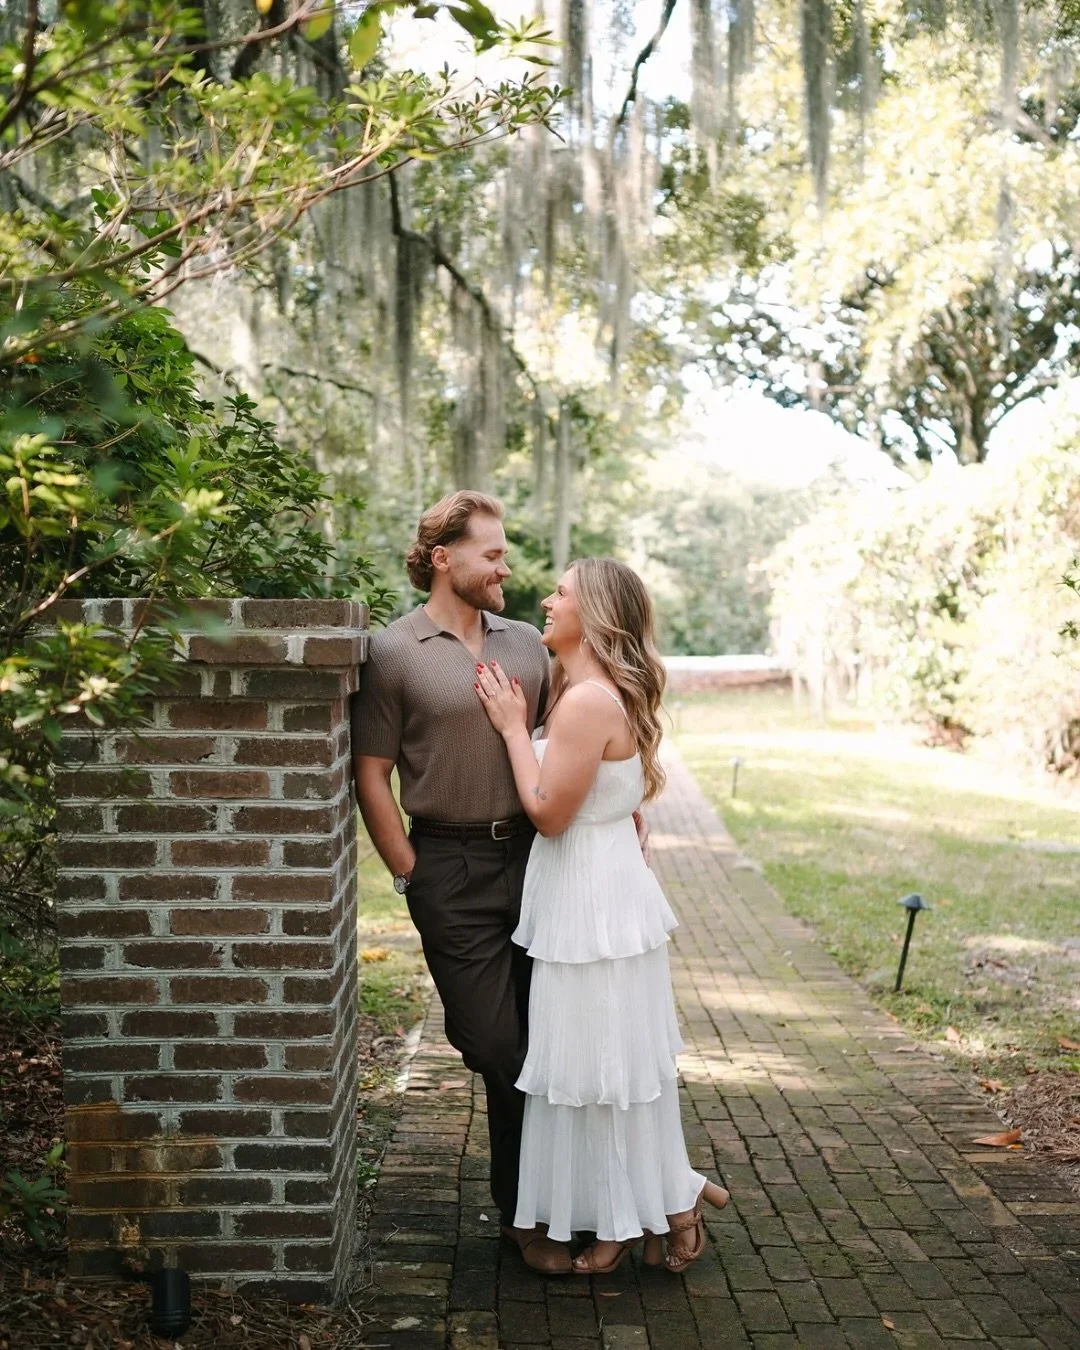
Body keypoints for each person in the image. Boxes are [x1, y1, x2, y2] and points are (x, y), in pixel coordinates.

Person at [473, 557, 730, 1275]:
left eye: (561, 592)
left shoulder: (587, 701)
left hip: (591, 901)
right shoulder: (581, 689)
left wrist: (511, 728)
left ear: (596, 614)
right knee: (597, 1066)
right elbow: (606, 788)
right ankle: (651, 1206)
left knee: (601, 1065)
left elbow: (551, 814)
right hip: (596, 889)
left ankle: (664, 1205)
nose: (546, 600)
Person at [351, 490, 573, 1275]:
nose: (504, 566)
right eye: (492, 554)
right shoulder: (393, 651)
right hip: (447, 867)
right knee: (498, 1045)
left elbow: (564, 742)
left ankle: (536, 1212)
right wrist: (411, 875)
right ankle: (530, 1210)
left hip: (537, 863)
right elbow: (371, 775)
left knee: (551, 1048)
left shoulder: (526, 646)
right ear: (443, 558)